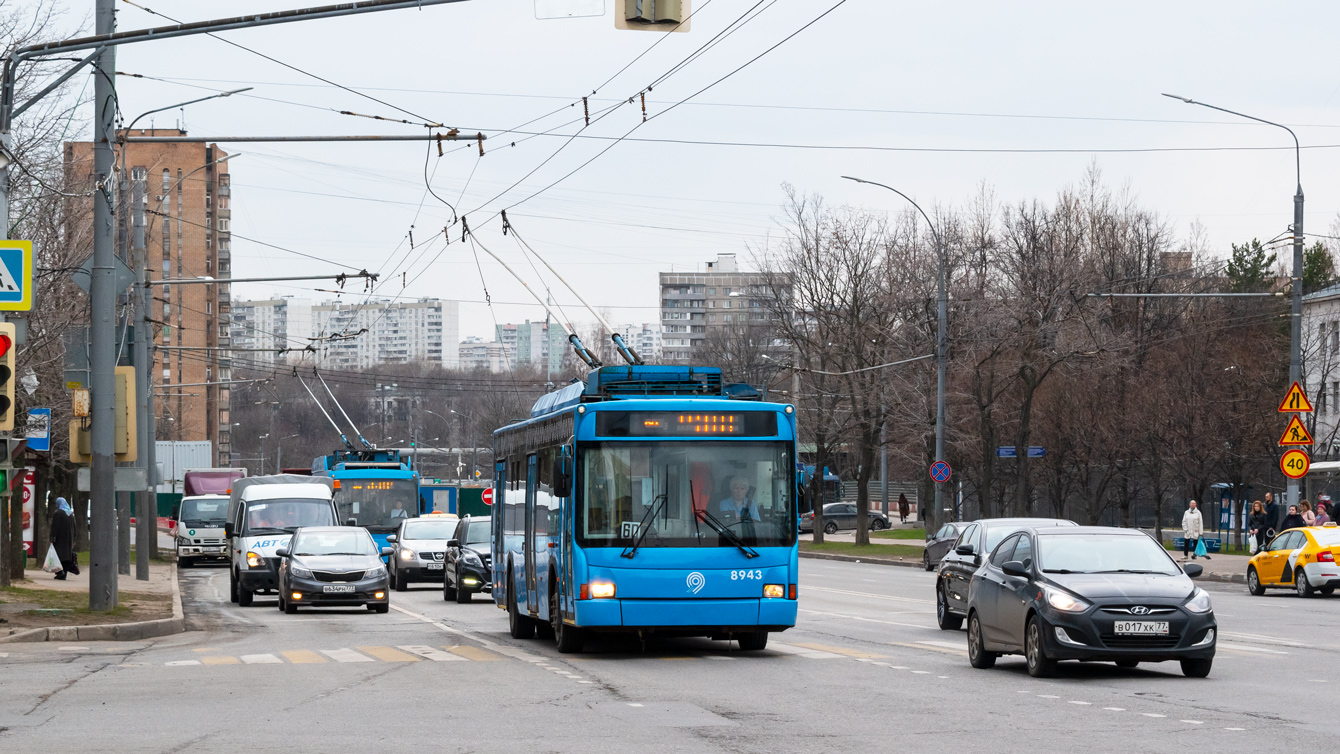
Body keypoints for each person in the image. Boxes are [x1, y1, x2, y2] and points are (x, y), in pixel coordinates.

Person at [49, 497, 78, 580]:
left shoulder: (58, 513)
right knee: (66, 556)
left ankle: (59, 572)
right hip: (69, 539)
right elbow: (74, 527)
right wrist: (74, 539)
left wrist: (52, 538)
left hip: (59, 538)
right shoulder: (69, 513)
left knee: (58, 555)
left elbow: (55, 527)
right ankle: (64, 573)